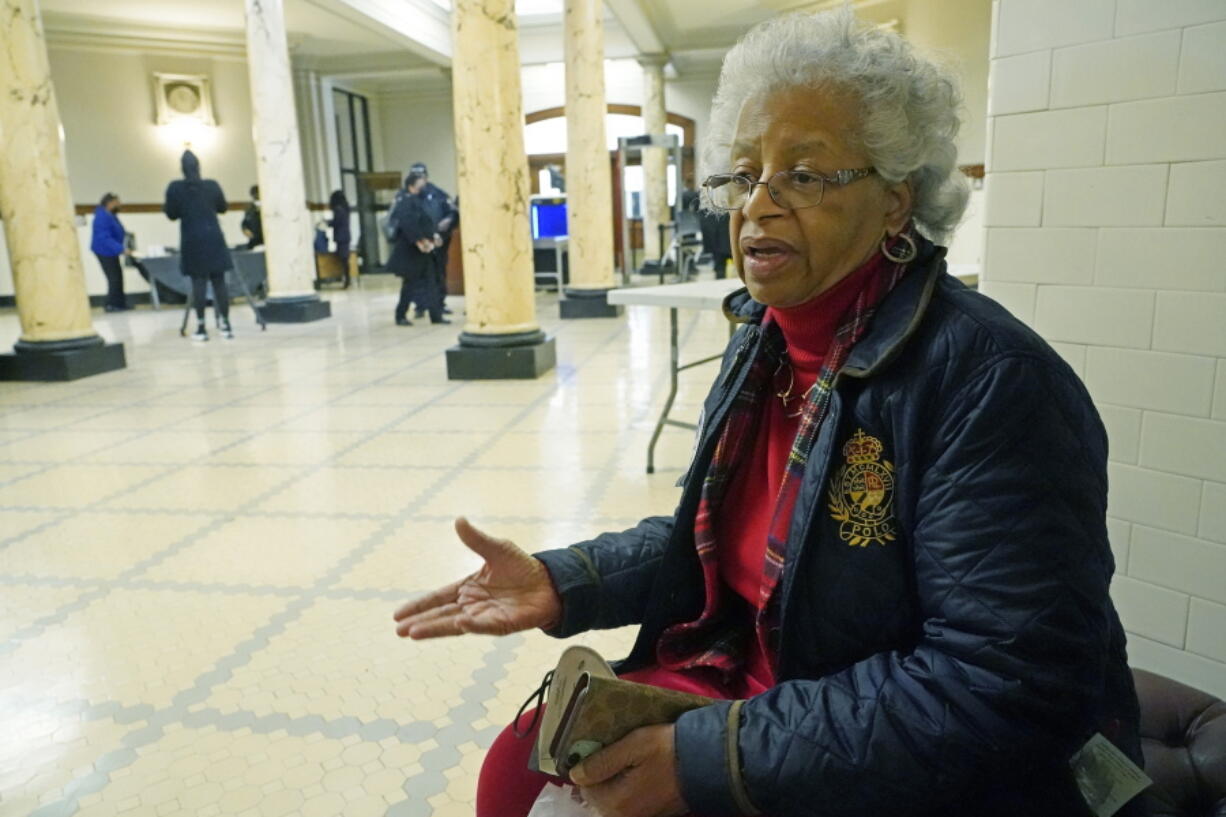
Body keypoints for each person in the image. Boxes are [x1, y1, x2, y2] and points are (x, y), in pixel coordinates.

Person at [393, 9, 1143, 817]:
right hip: (756, 681)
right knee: (515, 770)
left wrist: (707, 758)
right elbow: (718, 542)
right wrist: (562, 580)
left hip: (891, 757)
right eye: (743, 174)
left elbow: (1003, 684)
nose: (758, 205)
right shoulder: (767, 340)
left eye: (805, 174)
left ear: (897, 201)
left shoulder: (993, 382)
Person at [164, 150, 234, 341]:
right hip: (214, 236)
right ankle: (226, 325)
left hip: (192, 239)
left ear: (182, 168)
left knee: (199, 282)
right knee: (219, 281)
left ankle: (201, 327)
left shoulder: (175, 188)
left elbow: (171, 214)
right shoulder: (212, 186)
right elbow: (223, 207)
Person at [386, 171, 442, 327]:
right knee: (410, 285)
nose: (424, 187)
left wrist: (434, 236)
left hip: (425, 250)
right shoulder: (405, 201)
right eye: (420, 184)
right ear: (411, 186)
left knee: (432, 282)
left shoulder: (420, 201)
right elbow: (408, 224)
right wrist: (420, 241)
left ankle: (436, 315)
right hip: (411, 251)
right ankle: (400, 315)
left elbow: (426, 222)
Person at [409, 162, 455, 319]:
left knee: (438, 273)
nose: (419, 180)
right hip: (418, 243)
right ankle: (420, 305)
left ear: (427, 177)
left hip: (438, 242)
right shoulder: (408, 195)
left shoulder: (438, 194)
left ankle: (439, 304)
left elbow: (452, 212)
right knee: (418, 274)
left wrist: (447, 221)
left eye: (421, 176)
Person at [90, 193, 130, 311]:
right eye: (117, 202)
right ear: (110, 203)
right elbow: (104, 238)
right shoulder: (102, 216)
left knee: (118, 276)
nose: (120, 204)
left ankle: (119, 303)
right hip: (104, 250)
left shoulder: (109, 215)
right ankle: (111, 304)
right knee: (114, 278)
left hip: (111, 250)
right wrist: (121, 249)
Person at [328, 190, 352, 286]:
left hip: (340, 237)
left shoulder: (338, 209)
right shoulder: (345, 208)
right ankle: (347, 278)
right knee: (344, 259)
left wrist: (328, 222)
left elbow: (336, 222)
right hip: (345, 236)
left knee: (343, 259)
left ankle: (346, 279)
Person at [241, 185, 263, 249]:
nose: (256, 195)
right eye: (254, 194)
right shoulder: (249, 208)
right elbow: (244, 223)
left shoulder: (268, 206)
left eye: (257, 193)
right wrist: (245, 230)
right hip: (254, 241)